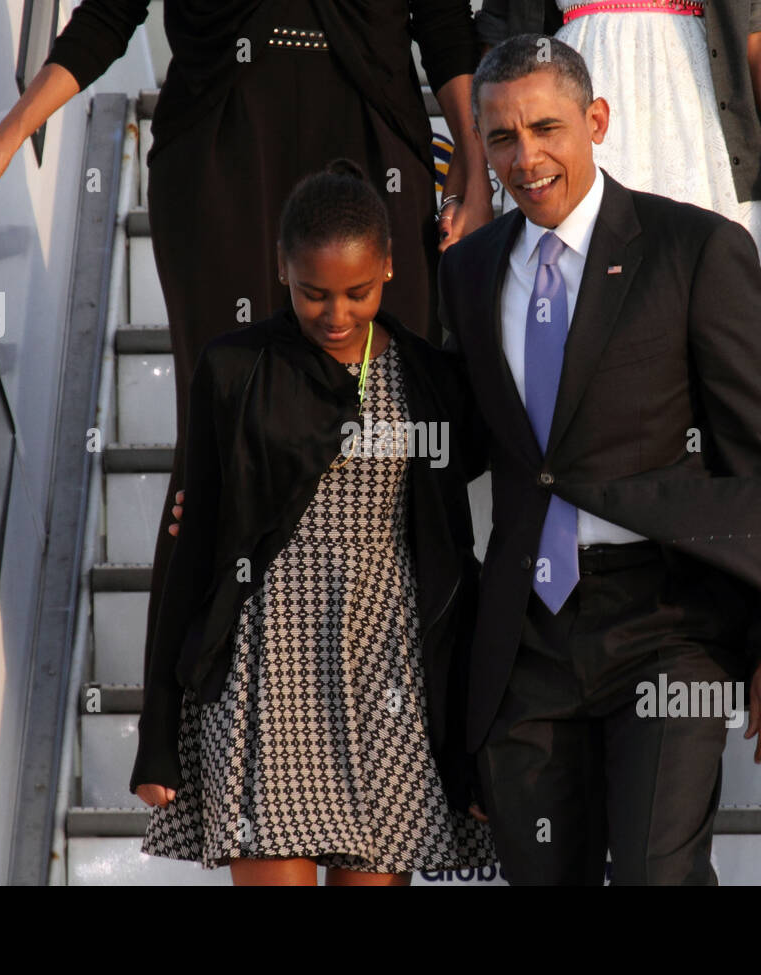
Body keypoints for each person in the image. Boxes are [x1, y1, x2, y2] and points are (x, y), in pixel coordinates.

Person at [0, 0, 496, 703]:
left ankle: (409, 713)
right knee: (220, 439)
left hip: (375, 145)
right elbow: (108, 15)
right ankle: (189, 732)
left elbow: (442, 23)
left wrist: (473, 159)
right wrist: (8, 135)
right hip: (220, 149)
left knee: (391, 431)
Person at [436, 35, 761, 884]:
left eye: (546, 128)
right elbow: (451, 446)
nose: (526, 157)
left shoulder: (695, 250)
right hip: (526, 639)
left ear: (596, 120)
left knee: (656, 873)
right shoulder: (464, 273)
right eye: (501, 137)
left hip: (668, 622)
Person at [132, 159, 494, 885]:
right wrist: (157, 731)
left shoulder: (430, 377)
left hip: (389, 669)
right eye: (312, 293)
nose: (335, 313)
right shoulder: (236, 367)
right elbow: (191, 550)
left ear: (391, 268)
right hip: (267, 667)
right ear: (281, 269)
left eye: (357, 292)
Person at [476, 0, 761, 370]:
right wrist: (478, 184)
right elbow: (500, 41)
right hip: (579, 110)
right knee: (584, 345)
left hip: (702, 133)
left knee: (724, 345)